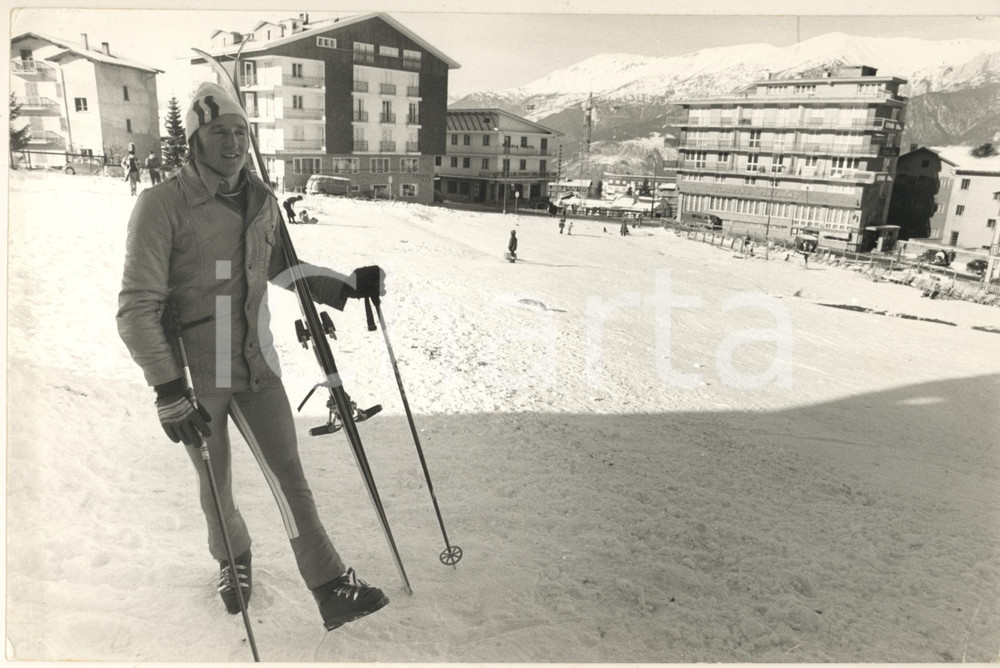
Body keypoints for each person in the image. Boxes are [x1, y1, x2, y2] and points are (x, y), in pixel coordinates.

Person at [116, 81, 389, 632]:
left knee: (290, 475)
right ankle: (233, 558)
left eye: (240, 132)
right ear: (195, 140)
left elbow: (282, 267)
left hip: (254, 361)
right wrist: (168, 389)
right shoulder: (162, 205)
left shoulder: (262, 199)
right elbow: (136, 308)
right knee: (216, 483)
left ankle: (330, 587)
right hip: (200, 370)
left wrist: (346, 287)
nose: (233, 142)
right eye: (219, 132)